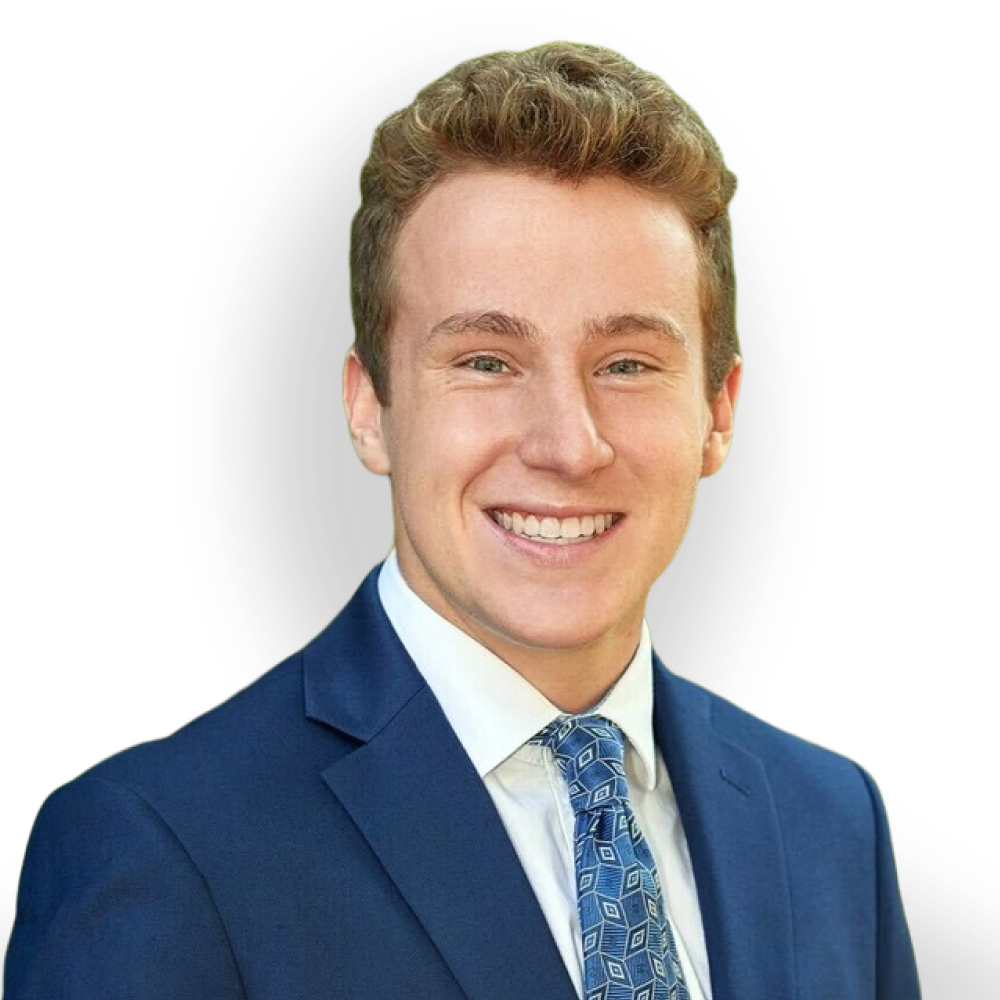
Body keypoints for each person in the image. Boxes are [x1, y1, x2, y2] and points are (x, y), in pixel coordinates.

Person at [3, 41, 920, 999]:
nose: (569, 445)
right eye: (486, 361)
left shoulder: (831, 822)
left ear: (718, 413)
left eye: (627, 364)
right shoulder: (158, 844)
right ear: (371, 407)